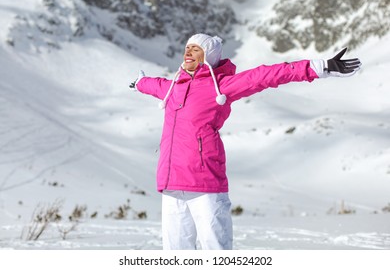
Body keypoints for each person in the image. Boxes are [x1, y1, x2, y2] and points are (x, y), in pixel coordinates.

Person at [129, 33, 361, 250]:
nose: (188, 52)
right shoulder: (172, 89)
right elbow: (150, 84)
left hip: (205, 183)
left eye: (195, 49)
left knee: (216, 251)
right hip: (171, 185)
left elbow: (266, 76)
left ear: (208, 56)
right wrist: (139, 82)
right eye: (187, 47)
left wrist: (317, 67)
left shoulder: (221, 86)